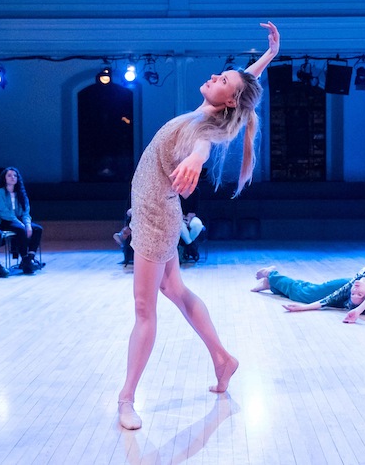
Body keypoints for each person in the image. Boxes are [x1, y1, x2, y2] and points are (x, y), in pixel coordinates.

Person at [117, 21, 280, 430]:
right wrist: (267, 57)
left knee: (144, 309)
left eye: (221, 79)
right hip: (155, 213)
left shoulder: (206, 130)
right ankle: (223, 360)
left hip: (156, 220)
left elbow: (203, 144)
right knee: (176, 290)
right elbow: (242, 90)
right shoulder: (213, 112)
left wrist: (196, 159)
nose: (212, 77)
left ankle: (126, 399)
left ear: (228, 100)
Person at [0, 167, 43, 274]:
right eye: (9, 175)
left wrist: (27, 224)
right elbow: (4, 213)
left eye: (15, 175)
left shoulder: (21, 194)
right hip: (3, 221)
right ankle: (25, 259)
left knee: (37, 229)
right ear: (4, 178)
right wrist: (21, 224)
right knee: (20, 229)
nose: (13, 177)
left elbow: (26, 212)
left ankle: (29, 259)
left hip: (18, 221)